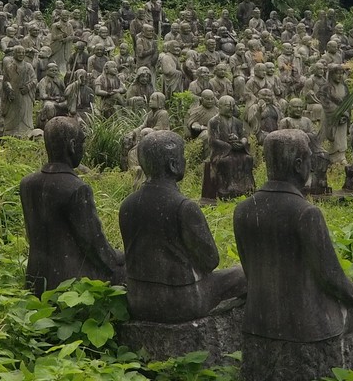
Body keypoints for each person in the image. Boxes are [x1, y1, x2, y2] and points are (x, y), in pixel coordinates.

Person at [234, 129, 353, 380]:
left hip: (257, 321)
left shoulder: (243, 210)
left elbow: (249, 270)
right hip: (306, 325)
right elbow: (331, 278)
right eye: (310, 158)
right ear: (299, 164)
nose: (313, 164)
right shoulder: (306, 214)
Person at [119, 130, 246, 323]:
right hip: (180, 301)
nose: (185, 161)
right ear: (173, 164)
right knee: (244, 274)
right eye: (183, 157)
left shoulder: (127, 205)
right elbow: (210, 260)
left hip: (138, 299)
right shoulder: (184, 208)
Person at [18, 116, 126, 295]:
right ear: (72, 146)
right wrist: (119, 259)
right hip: (69, 281)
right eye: (82, 143)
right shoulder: (76, 189)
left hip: (35, 276)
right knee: (127, 269)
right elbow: (94, 245)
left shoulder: (27, 183)